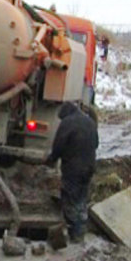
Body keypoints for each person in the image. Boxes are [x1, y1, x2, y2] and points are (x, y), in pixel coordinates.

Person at [45, 101, 99, 242]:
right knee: (81, 197)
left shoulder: (67, 123)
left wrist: (51, 159)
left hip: (74, 168)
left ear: (65, 114)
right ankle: (81, 230)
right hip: (89, 167)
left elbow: (58, 145)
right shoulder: (90, 122)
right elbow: (97, 144)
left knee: (70, 198)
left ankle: (74, 233)